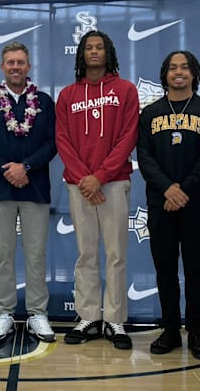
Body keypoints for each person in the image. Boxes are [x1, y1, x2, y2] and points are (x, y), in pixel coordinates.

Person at [55, 30, 138, 350]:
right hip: (79, 184)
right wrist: (84, 179)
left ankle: (115, 319)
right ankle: (88, 315)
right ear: (81, 54)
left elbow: (129, 136)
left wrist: (100, 177)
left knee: (116, 254)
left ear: (108, 52)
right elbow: (62, 139)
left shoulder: (126, 90)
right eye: (88, 47)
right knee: (86, 253)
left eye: (99, 47)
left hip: (114, 182)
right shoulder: (67, 95)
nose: (93, 52)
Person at [0, 41, 57, 343]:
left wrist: (27, 167)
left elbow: (52, 143)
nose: (16, 67)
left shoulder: (44, 102)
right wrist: (8, 168)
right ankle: (4, 312)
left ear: (29, 66)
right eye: (10, 62)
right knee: (3, 255)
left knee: (35, 255)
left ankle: (37, 313)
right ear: (2, 66)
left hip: (35, 189)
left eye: (21, 62)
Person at [137, 51, 200, 360]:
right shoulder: (151, 113)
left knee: (196, 271)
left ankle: (196, 332)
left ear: (194, 73)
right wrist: (168, 189)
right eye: (173, 68)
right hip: (161, 204)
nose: (178, 72)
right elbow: (144, 156)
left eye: (185, 67)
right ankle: (170, 329)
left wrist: (184, 190)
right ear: (165, 74)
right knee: (165, 270)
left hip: (195, 204)